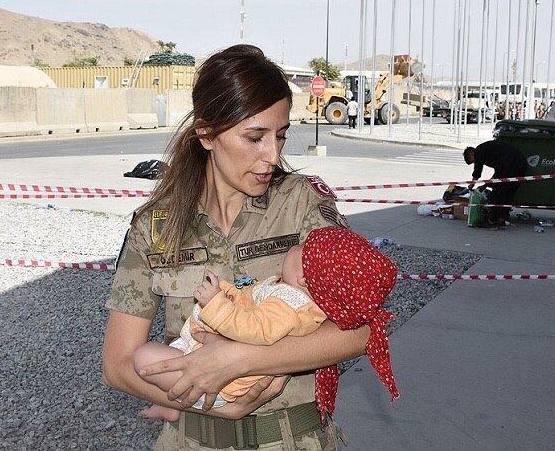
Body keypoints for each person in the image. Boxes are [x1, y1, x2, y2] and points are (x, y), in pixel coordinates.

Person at [103, 44, 370, 451]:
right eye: (254, 137)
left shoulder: (303, 207)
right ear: (207, 135)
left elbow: (359, 331)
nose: (272, 156)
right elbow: (119, 365)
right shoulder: (156, 226)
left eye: (279, 136)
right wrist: (215, 407)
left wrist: (243, 359)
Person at [134, 227, 400, 426]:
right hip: (215, 365)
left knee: (145, 357)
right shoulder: (291, 294)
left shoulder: (289, 304)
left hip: (223, 381)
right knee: (166, 357)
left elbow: (256, 328)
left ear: (305, 278)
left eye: (303, 248)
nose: (297, 246)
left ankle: (175, 402)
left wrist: (215, 304)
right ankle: (170, 405)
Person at [463, 140, 528, 227]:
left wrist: (472, 183)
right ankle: (503, 218)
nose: (475, 162)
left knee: (498, 192)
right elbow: (498, 173)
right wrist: (486, 185)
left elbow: (478, 170)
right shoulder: (491, 152)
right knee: (508, 192)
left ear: (471, 154)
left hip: (511, 164)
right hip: (520, 163)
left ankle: (493, 219)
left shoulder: (479, 150)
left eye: (473, 161)